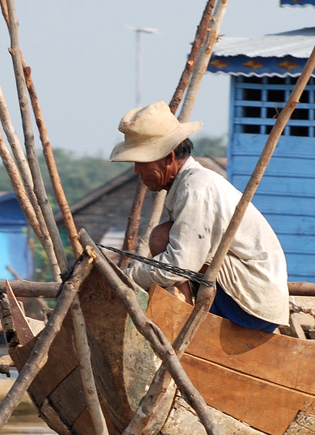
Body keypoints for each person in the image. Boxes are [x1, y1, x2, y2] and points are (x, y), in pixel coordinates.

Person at [110, 101, 289, 333]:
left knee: (162, 239)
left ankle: (183, 322)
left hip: (251, 300)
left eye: (142, 162)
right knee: (164, 237)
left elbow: (178, 266)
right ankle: (183, 316)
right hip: (244, 293)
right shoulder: (188, 183)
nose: (137, 170)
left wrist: (126, 278)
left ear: (170, 156)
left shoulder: (196, 187)